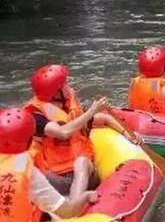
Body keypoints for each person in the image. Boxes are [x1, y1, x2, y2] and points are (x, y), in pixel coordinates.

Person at [25, 64, 114, 201]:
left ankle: (74, 206)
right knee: (29, 174)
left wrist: (129, 135)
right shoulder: (37, 116)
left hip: (83, 174)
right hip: (56, 177)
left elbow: (103, 119)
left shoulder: (69, 107)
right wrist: (92, 111)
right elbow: (62, 132)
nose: (69, 85)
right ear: (56, 92)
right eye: (65, 83)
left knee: (82, 162)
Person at [0, 107, 96, 222]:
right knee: (56, 216)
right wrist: (86, 197)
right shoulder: (29, 173)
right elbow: (67, 213)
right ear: (31, 141)